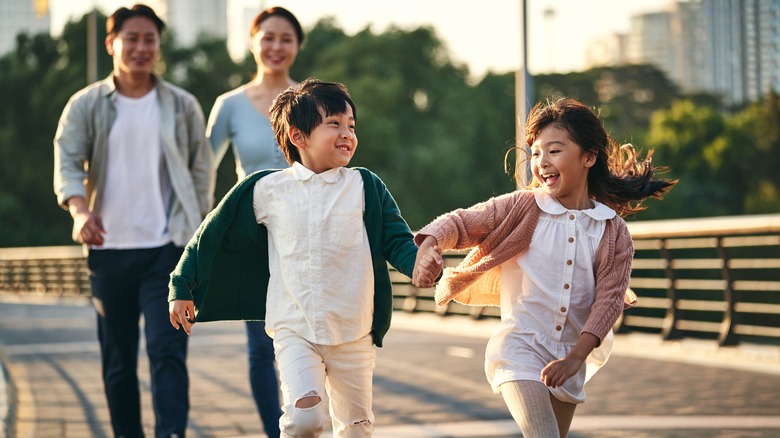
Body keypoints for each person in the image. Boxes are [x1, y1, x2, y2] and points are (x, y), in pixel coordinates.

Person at [168, 78, 442, 437]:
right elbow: (210, 234)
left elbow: (397, 240)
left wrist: (420, 264)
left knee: (356, 429)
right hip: (294, 330)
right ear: (298, 136)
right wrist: (181, 285)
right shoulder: (267, 189)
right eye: (334, 124)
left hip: (354, 332)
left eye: (351, 126)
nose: (347, 134)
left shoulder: (365, 186)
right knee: (304, 420)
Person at [412, 97, 676, 438]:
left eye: (554, 151)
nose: (542, 162)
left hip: (571, 353)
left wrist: (576, 358)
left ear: (589, 157)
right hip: (519, 346)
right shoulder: (523, 207)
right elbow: (464, 221)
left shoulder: (611, 230)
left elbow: (609, 301)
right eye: (536, 153)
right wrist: (430, 243)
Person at [53, 4, 214, 437]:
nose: (142, 47)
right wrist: (79, 210)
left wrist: (198, 237)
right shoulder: (86, 104)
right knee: (118, 361)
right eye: (132, 38)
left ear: (158, 45)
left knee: (167, 353)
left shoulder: (181, 105)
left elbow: (202, 170)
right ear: (112, 43)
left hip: (168, 251)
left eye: (150, 39)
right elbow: (67, 160)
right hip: (108, 251)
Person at [205, 7, 304, 436]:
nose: (276, 46)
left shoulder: (312, 99)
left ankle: (310, 420)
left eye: (286, 38)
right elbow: (201, 170)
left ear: (297, 45)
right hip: (252, 237)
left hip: (307, 234)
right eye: (268, 37)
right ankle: (275, 430)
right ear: (252, 42)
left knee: (309, 340)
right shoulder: (228, 105)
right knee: (261, 348)